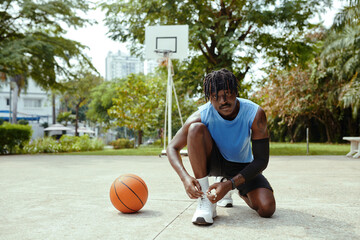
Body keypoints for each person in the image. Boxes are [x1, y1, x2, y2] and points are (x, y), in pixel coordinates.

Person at [166, 68, 276, 225]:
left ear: (236, 92)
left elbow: (261, 161)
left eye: (227, 94)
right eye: (215, 97)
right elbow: (172, 147)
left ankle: (232, 187)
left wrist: (230, 184)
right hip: (214, 162)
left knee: (267, 209)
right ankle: (206, 200)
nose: (223, 101)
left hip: (242, 167)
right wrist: (185, 177)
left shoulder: (254, 113)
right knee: (195, 129)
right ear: (209, 99)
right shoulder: (202, 115)